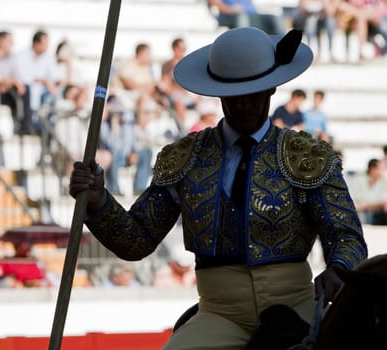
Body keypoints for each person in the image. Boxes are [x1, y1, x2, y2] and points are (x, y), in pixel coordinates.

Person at [69, 27, 367, 349]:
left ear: (271, 90)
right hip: (220, 315)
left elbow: (346, 236)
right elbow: (136, 240)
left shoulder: (308, 155)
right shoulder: (186, 157)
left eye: (255, 93)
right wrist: (99, 202)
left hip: (298, 307)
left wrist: (339, 269)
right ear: (219, 94)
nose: (245, 106)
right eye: (235, 97)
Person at [16, 30, 60, 119]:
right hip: (27, 91)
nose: (47, 46)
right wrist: (44, 81)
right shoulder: (21, 56)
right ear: (36, 43)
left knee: (55, 94)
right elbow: (23, 78)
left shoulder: (48, 57)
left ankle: (47, 125)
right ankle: (36, 123)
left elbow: (55, 77)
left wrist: (51, 84)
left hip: (45, 92)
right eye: (45, 43)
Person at [208, 0, 286, 35]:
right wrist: (230, 10)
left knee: (275, 18)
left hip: (253, 15)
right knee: (242, 18)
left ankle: (282, 49)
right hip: (233, 16)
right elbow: (213, 1)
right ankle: (245, 49)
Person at [349, 158, 387, 225]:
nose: (383, 171)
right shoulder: (358, 180)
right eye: (381, 168)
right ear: (372, 169)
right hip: (359, 212)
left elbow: (383, 204)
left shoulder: (383, 182)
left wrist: (366, 206)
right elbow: (354, 199)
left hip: (377, 213)